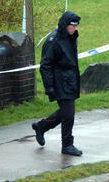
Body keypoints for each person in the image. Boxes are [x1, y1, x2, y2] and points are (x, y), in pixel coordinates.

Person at [32, 11, 83, 156]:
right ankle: (67, 145)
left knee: (66, 113)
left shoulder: (71, 37)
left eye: (77, 26)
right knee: (69, 114)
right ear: (65, 25)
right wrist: (49, 87)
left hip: (70, 80)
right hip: (59, 82)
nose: (75, 29)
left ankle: (41, 126)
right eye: (73, 26)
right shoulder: (53, 41)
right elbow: (45, 66)